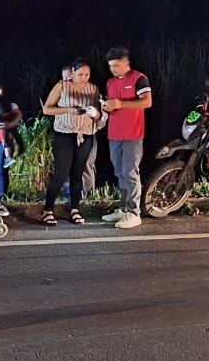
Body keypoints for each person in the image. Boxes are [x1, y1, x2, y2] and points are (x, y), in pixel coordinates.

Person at [40, 59, 105, 226]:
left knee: (78, 173)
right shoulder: (62, 85)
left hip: (85, 134)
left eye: (87, 75)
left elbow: (99, 115)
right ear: (73, 72)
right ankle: (47, 210)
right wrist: (69, 110)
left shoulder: (93, 88)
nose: (84, 78)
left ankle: (75, 209)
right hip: (64, 134)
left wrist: (95, 113)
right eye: (81, 74)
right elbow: (47, 109)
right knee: (61, 173)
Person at [101, 46, 152, 229]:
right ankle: (123, 209)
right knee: (119, 172)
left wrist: (121, 103)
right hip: (114, 134)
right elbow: (113, 105)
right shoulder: (110, 82)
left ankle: (134, 213)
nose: (113, 69)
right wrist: (107, 106)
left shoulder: (139, 78)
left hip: (133, 134)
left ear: (126, 63)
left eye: (116, 65)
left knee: (130, 173)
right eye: (110, 66)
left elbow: (147, 102)